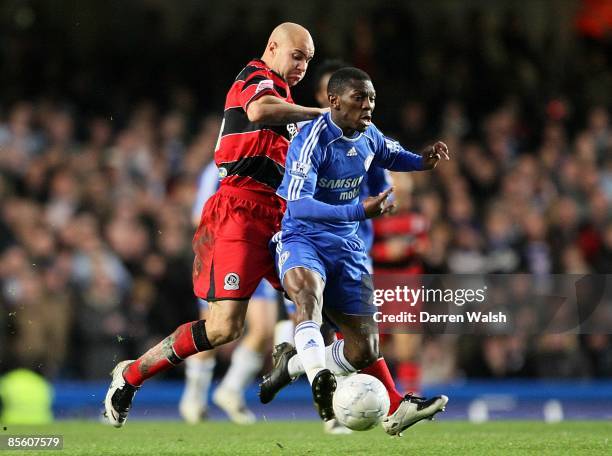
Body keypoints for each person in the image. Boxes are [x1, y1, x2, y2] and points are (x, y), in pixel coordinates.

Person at [104, 22, 326, 428]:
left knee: (316, 294)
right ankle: (131, 374)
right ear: (272, 47)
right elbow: (258, 110)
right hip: (238, 212)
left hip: (278, 217)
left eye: (308, 60)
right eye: (297, 56)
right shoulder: (255, 76)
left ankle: (320, 377)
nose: (302, 66)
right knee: (224, 328)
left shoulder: (287, 100)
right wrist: (322, 114)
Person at [259, 67, 449, 436]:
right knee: (307, 298)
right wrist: (359, 210)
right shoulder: (312, 140)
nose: (368, 106)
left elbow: (393, 155)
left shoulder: (368, 134)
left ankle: (295, 365)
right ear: (334, 101)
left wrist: (422, 161)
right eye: (359, 98)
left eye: (372, 98)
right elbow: (298, 206)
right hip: (303, 239)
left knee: (364, 350)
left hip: (346, 247)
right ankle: (321, 380)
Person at [179, 161, 279, 425]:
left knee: (265, 329)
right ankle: (194, 396)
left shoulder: (273, 166)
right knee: (214, 329)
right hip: (224, 252)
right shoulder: (219, 170)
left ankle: (231, 389)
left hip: (259, 251)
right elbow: (196, 216)